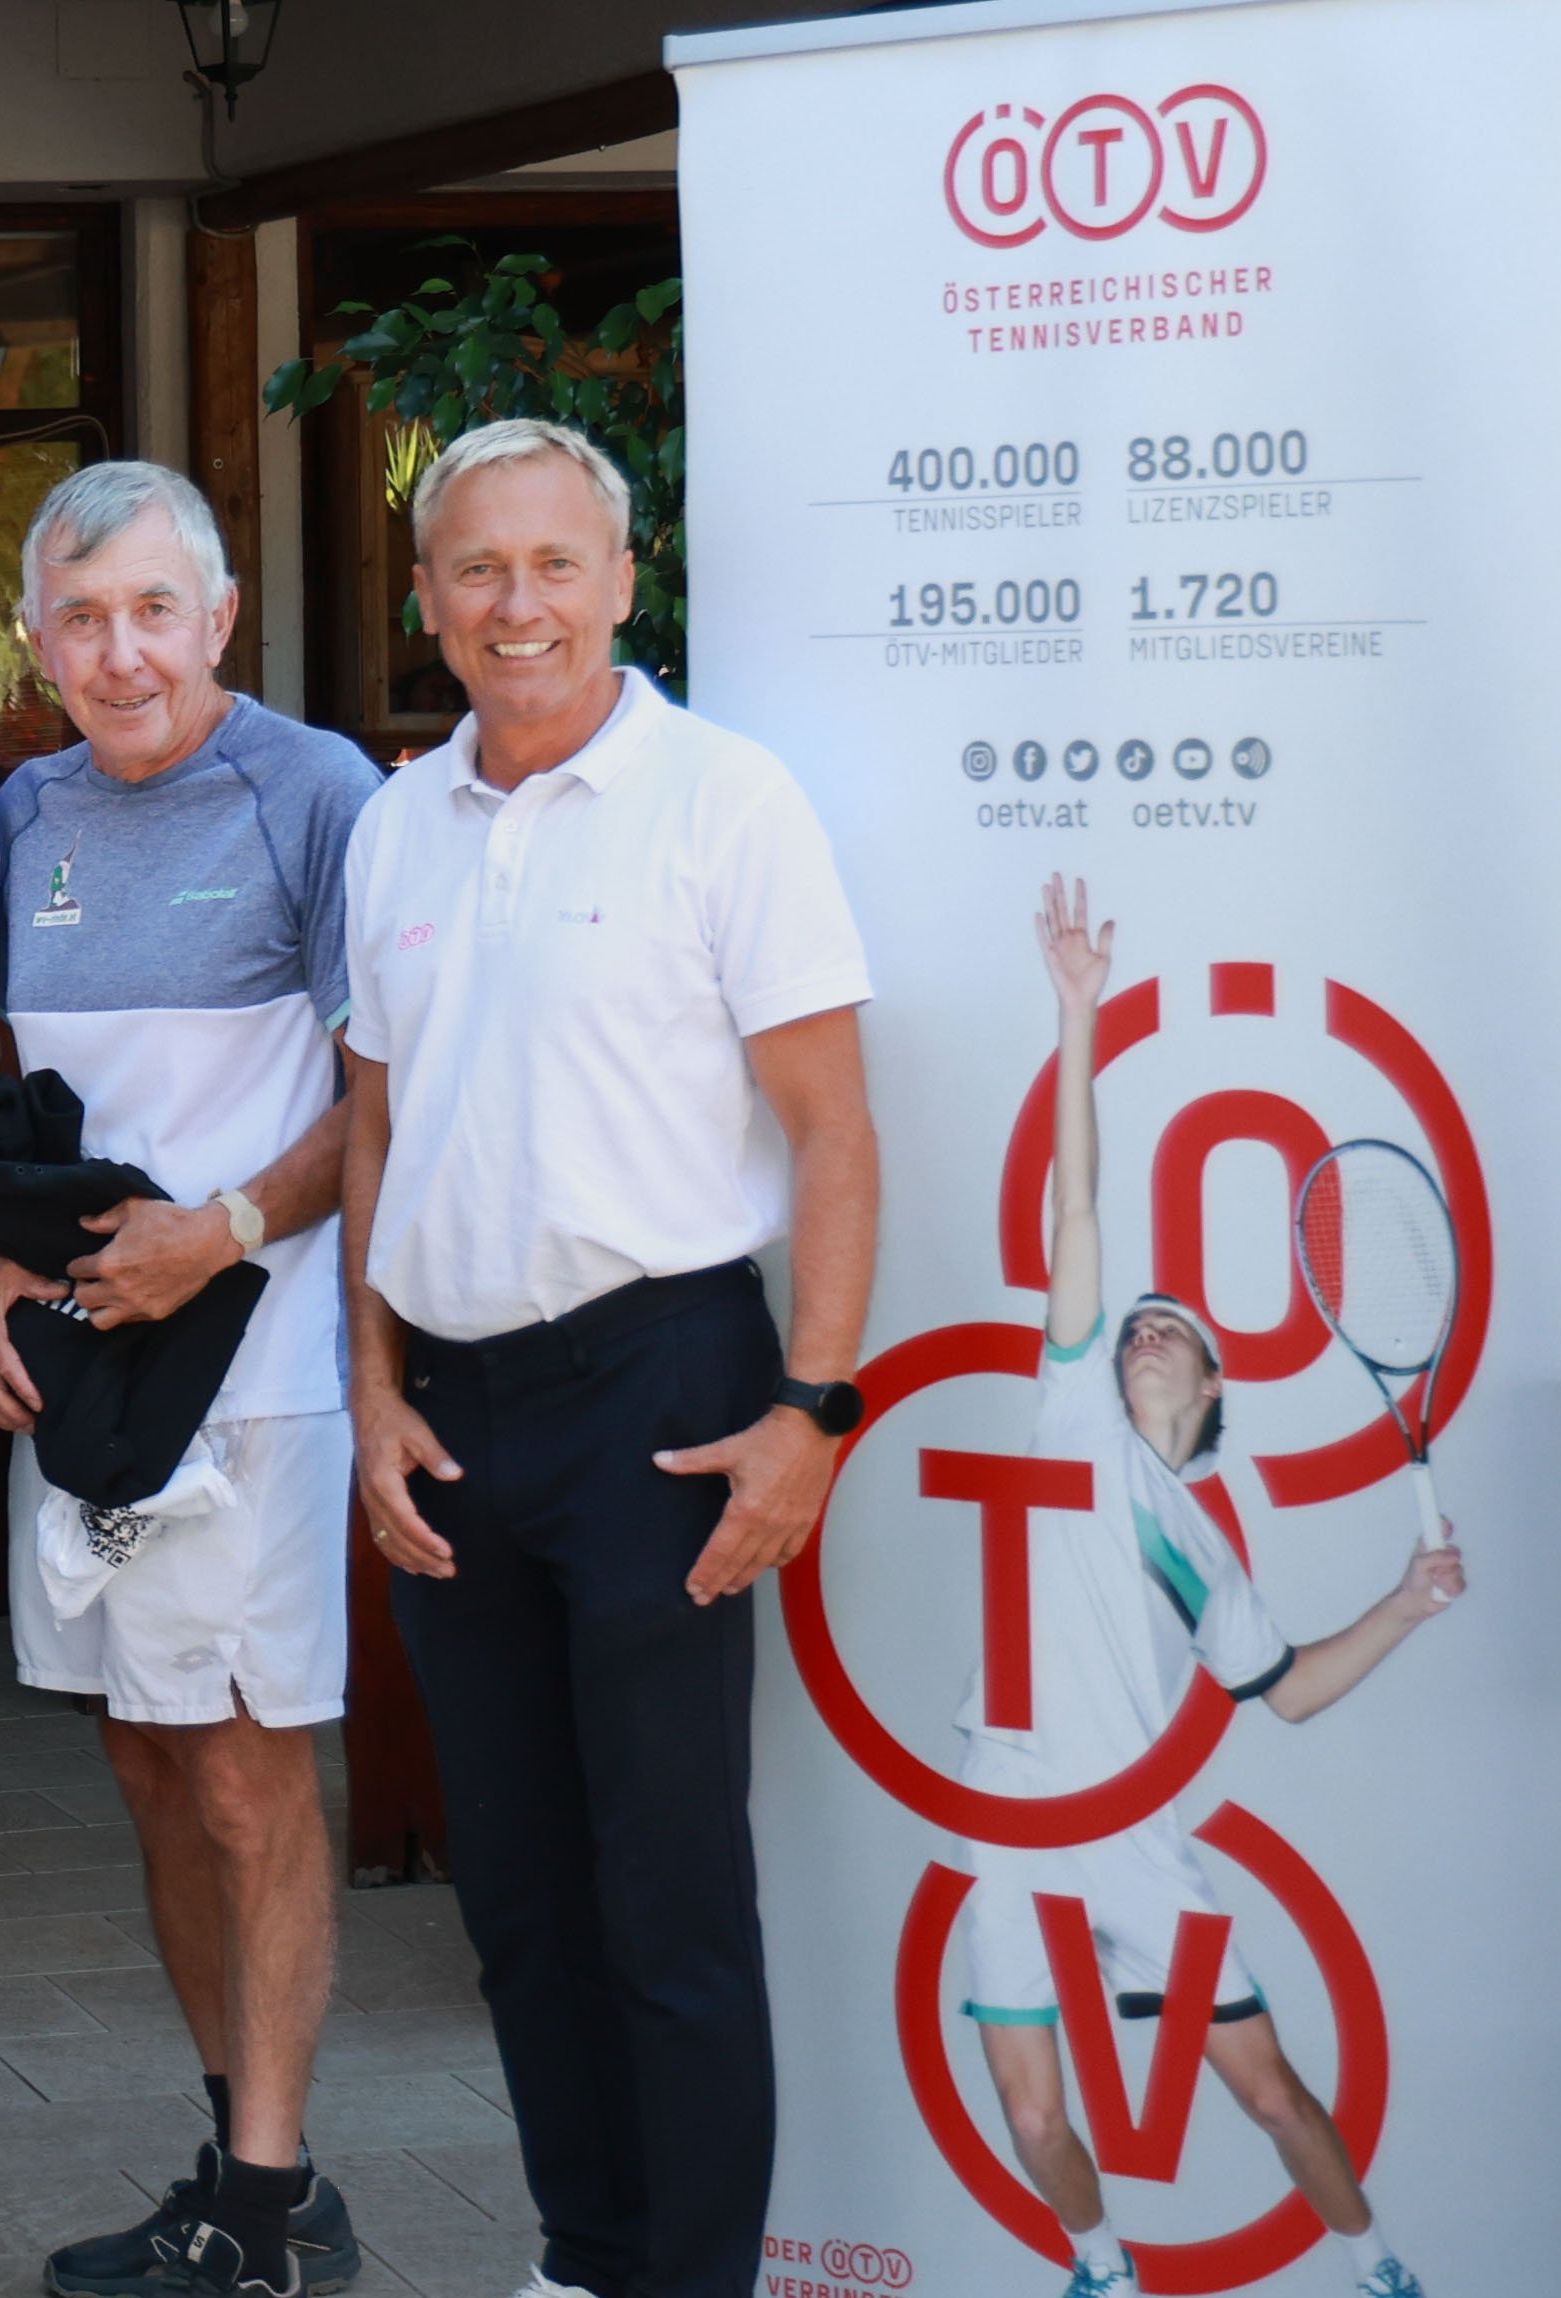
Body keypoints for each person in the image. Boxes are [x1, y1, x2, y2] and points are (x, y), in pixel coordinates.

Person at [337, 417, 880, 2298]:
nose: (519, 604)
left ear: (624, 582)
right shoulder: (394, 826)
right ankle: (588, 2255)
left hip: (664, 1389)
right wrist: (372, 1391)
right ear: (427, 597)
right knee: (517, 1898)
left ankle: (695, 2277)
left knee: (669, 1899)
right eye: (478, 567)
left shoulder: (724, 800)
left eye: (555, 563)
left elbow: (832, 1129)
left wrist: (810, 1409)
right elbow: (376, 1130)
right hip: (454, 1411)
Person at [0, 463, 375, 2298]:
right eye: (80, 618)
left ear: (217, 619)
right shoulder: (17, 812)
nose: (119, 654)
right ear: (36, 640)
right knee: (140, 1756)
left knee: (242, 1779)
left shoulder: (317, 794)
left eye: (151, 612)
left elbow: (385, 1090)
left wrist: (229, 1226)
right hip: (83, 1380)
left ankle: (265, 2212)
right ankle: (249, 2164)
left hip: (259, 1376)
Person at [975, 878, 1460, 2298]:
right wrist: (1076, 1016)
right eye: (1130, 1325)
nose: (1140, 1334)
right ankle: (1102, 2268)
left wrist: (1408, 1600)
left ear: (1210, 1383)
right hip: (1007, 1813)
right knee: (1035, 2119)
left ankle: (1378, 2266)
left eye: (1168, 1333)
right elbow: (1078, 1202)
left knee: (1269, 2091)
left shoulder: (1201, 1543)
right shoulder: (1072, 1411)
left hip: (1130, 1834)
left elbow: (1288, 1688)